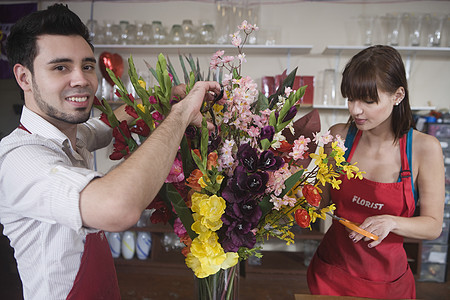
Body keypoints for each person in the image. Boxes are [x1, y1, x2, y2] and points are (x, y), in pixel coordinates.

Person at [0, 4, 222, 299]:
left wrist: (162, 99)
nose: (81, 80)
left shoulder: (71, 135)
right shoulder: (20, 159)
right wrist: (180, 116)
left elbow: (107, 124)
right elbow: (117, 207)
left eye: (88, 66)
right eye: (60, 67)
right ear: (24, 77)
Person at [307, 45, 445, 299]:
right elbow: (321, 200)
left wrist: (392, 222)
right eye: (350, 98)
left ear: (398, 95)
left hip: (389, 285)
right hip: (331, 275)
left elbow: (434, 226)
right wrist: (292, 187)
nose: (355, 110)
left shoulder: (425, 149)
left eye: (368, 101)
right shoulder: (338, 137)